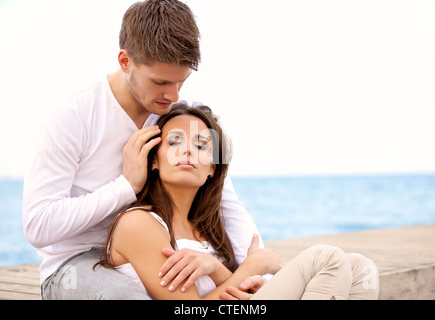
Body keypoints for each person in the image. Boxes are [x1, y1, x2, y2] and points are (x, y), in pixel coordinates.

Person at [22, 0, 263, 300]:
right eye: (160, 82)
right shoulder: (74, 116)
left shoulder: (174, 116)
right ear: (125, 61)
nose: (173, 95)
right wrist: (125, 187)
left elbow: (225, 199)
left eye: (181, 81)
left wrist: (258, 269)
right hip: (79, 262)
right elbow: (38, 224)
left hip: (156, 250)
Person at [97, 102, 379, 300]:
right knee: (326, 258)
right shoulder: (139, 223)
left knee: (360, 268)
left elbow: (232, 291)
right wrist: (252, 268)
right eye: (174, 141)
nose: (186, 150)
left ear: (212, 169)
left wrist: (221, 270)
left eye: (201, 145)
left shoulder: (208, 229)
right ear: (154, 160)